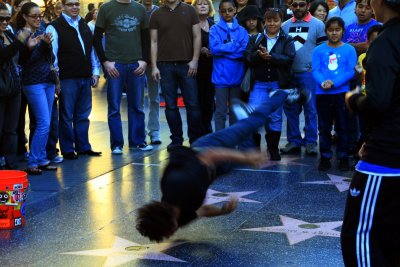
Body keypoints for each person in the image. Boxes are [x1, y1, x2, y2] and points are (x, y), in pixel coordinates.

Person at [136, 89, 302, 242]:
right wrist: (223, 211)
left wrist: (245, 158)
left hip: (208, 149)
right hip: (215, 169)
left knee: (255, 123)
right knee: (249, 141)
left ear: (167, 220)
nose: (171, 234)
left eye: (168, 232)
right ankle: (244, 118)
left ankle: (281, 94)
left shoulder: (180, 184)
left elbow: (211, 155)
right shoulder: (178, 217)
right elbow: (202, 211)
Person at [341, 0, 400, 264]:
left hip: (386, 157)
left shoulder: (386, 41)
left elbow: (378, 102)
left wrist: (353, 99)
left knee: (360, 235)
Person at [94, 0, 153, 154]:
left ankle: (137, 142)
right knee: (114, 107)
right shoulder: (106, 8)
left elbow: (146, 38)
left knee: (137, 106)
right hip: (115, 65)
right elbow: (96, 38)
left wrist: (144, 60)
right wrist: (105, 62)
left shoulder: (139, 8)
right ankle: (117, 144)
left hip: (136, 64)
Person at [46, 0, 102, 160]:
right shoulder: (55, 26)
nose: (75, 7)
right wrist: (56, 80)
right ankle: (68, 149)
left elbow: (90, 51)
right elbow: (53, 56)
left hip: (85, 77)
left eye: (77, 4)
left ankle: (83, 147)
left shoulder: (83, 24)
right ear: (62, 6)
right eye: (70, 4)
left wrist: (95, 72)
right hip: (67, 78)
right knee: (67, 116)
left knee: (83, 115)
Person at [149, 0, 203, 150]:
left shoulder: (190, 10)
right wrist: (154, 66)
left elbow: (197, 36)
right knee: (171, 106)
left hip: (187, 65)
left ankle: (195, 141)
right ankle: (176, 140)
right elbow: (153, 41)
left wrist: (195, 60)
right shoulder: (156, 14)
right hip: (164, 66)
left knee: (192, 105)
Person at [243, 8, 296, 161]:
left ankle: (273, 149)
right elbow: (247, 58)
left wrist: (270, 56)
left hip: (277, 84)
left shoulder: (287, 39)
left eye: (276, 20)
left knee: (275, 117)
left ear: (281, 22)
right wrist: (260, 56)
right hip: (258, 84)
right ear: (264, 22)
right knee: (254, 114)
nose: (272, 23)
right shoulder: (255, 38)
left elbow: (289, 59)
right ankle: (255, 149)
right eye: (269, 20)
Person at [16, 2, 58, 174]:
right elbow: (20, 61)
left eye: (39, 16)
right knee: (43, 122)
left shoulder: (42, 31)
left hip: (47, 80)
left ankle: (41, 159)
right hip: (32, 83)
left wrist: (47, 45)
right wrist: (28, 48)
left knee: (45, 123)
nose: (38, 19)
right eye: (34, 16)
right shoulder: (20, 34)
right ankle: (33, 161)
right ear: (25, 17)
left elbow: (50, 59)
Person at [281, 0, 326, 155]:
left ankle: (311, 141)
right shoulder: (284, 25)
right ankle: (294, 141)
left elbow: (324, 50)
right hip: (289, 75)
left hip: (309, 75)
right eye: (295, 5)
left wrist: (317, 69)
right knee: (291, 109)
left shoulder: (318, 25)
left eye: (301, 4)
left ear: (308, 5)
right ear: (290, 6)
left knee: (310, 109)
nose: (298, 7)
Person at [312, 17, 357, 171]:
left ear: (343, 31)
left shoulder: (349, 49)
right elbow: (316, 70)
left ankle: (343, 156)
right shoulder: (318, 50)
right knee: (324, 127)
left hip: (342, 93)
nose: (334, 33)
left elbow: (351, 71)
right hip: (322, 93)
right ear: (326, 32)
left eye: (337, 30)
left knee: (343, 126)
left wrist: (334, 82)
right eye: (331, 30)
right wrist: (323, 82)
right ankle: (325, 156)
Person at [209, 0, 249, 131]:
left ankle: (233, 141)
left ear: (235, 10)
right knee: (220, 112)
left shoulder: (242, 30)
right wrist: (234, 46)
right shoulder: (214, 29)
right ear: (219, 12)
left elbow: (244, 51)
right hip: (221, 78)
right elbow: (214, 49)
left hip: (237, 77)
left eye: (230, 10)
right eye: (223, 10)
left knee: (234, 112)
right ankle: (220, 142)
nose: (227, 13)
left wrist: (225, 51)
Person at [0, 2, 31, 169]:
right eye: (1, 19)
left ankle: (11, 165)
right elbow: (3, 55)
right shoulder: (13, 37)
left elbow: (19, 59)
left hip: (14, 89)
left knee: (11, 130)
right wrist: (20, 41)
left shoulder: (9, 35)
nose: (5, 22)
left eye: (7, 18)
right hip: (1, 90)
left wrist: (29, 48)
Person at [192, 0, 215, 135]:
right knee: (197, 102)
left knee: (209, 101)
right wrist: (199, 49)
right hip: (195, 69)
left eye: (205, 3)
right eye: (199, 3)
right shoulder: (190, 25)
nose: (202, 6)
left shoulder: (214, 25)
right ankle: (197, 132)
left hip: (212, 68)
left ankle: (207, 129)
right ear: (194, 7)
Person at [142, 0, 161, 145]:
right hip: (137, 59)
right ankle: (139, 131)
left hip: (155, 61)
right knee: (137, 100)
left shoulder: (159, 11)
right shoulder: (135, 10)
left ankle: (154, 131)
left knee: (154, 98)